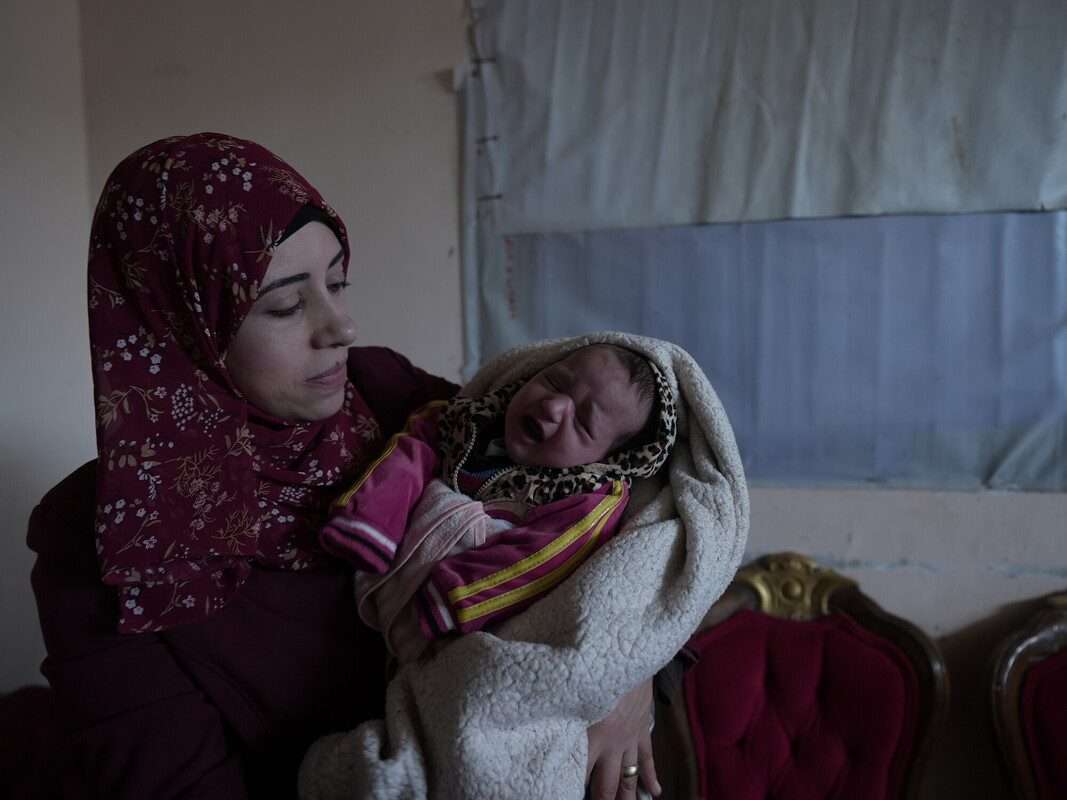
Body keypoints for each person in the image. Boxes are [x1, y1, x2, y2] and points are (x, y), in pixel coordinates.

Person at [25, 132, 661, 800]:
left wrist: (625, 676)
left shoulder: (389, 395)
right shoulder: (105, 537)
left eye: (337, 281)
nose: (341, 326)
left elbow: (622, 522)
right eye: (285, 304)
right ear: (184, 325)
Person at [320, 343, 676, 661]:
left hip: (451, 628)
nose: (552, 406)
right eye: (554, 382)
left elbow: (538, 559)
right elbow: (411, 451)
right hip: (374, 593)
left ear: (607, 459)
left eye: (583, 421)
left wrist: (453, 596)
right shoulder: (462, 421)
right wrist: (370, 520)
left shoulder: (585, 500)